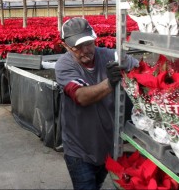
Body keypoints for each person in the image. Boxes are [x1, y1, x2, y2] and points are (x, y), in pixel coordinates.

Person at [54, 17, 138, 190]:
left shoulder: (109, 55)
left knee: (97, 184)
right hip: (79, 149)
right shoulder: (64, 65)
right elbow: (81, 97)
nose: (85, 50)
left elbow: (138, 68)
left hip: (107, 145)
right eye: (78, 47)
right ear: (66, 46)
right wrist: (110, 82)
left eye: (89, 43)